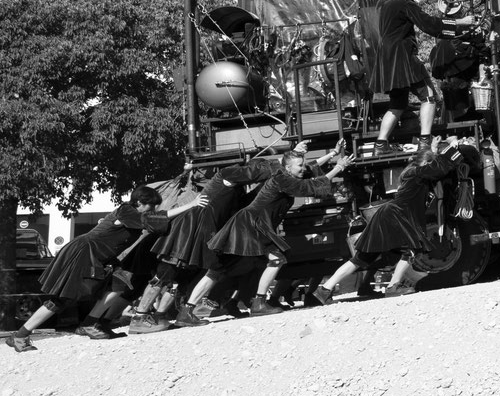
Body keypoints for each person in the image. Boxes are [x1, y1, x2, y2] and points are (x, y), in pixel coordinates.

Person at [187, 145, 349, 319]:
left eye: (302, 165)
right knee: (275, 259)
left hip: (251, 225)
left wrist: (331, 153)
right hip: (251, 225)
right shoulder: (282, 179)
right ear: (288, 168)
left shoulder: (287, 176)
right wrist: (338, 167)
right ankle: (258, 303)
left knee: (229, 268)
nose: (303, 168)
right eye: (299, 166)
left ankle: (190, 310)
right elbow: (309, 186)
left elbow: (309, 172)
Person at [6, 188, 167, 352]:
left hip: (102, 256)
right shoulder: (126, 210)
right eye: (151, 205)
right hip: (84, 252)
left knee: (119, 284)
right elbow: (156, 220)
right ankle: (20, 336)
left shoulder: (137, 216)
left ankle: (90, 324)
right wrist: (190, 204)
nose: (153, 210)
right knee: (62, 298)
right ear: (139, 202)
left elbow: (157, 223)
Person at [126, 160, 277, 333]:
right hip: (186, 233)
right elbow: (253, 174)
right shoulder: (225, 176)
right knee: (164, 275)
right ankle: (139, 317)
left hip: (200, 236)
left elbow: (247, 201)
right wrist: (279, 166)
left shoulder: (237, 191)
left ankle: (160, 316)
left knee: (180, 282)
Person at [314, 136, 466, 302]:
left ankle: (324, 289)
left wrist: (434, 149)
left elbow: (434, 166)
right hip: (396, 216)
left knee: (362, 258)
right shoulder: (417, 173)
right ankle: (393, 286)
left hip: (389, 215)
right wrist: (452, 148)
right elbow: (439, 168)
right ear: (425, 163)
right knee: (412, 249)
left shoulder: (413, 172)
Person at [356, 0, 470, 146]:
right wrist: (460, 23)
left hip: (387, 60)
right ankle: (425, 140)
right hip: (403, 58)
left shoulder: (383, 3)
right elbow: (429, 25)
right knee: (429, 96)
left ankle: (380, 145)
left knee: (397, 104)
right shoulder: (403, 3)